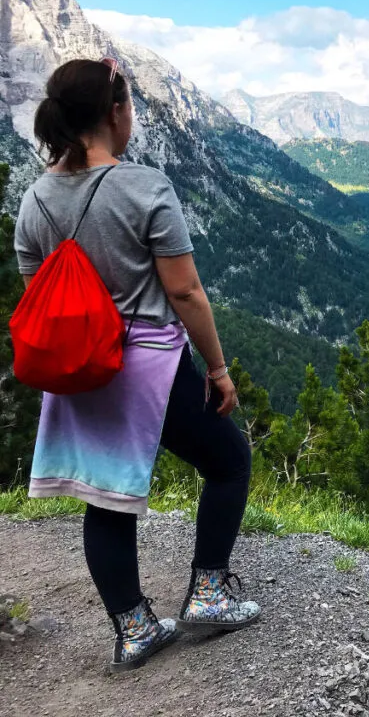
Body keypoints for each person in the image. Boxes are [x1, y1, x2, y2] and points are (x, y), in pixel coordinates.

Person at [13, 58, 261, 672]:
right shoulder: (145, 188)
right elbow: (184, 293)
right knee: (229, 460)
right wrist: (219, 368)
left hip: (79, 372)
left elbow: (36, 294)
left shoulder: (34, 201)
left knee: (106, 497)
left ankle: (134, 629)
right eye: (129, 108)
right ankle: (207, 591)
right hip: (147, 364)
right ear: (116, 113)